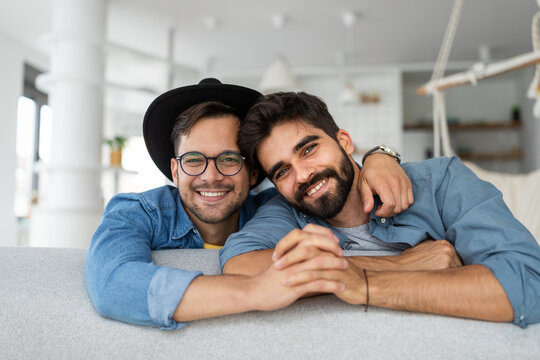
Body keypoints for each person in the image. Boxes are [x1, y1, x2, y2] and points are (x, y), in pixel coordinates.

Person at [85, 79, 414, 329]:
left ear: (254, 170)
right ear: (175, 169)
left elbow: (340, 188)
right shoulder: (137, 212)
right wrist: (254, 291)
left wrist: (379, 157)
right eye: (194, 160)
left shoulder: (283, 209)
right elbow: (112, 284)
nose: (211, 177)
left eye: (229, 159)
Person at [219, 91, 540, 328]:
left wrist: (363, 284)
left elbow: (527, 283)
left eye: (309, 149)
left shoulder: (439, 181)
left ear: (344, 141)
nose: (302, 175)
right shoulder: (287, 211)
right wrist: (400, 265)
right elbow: (239, 265)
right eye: (282, 171)